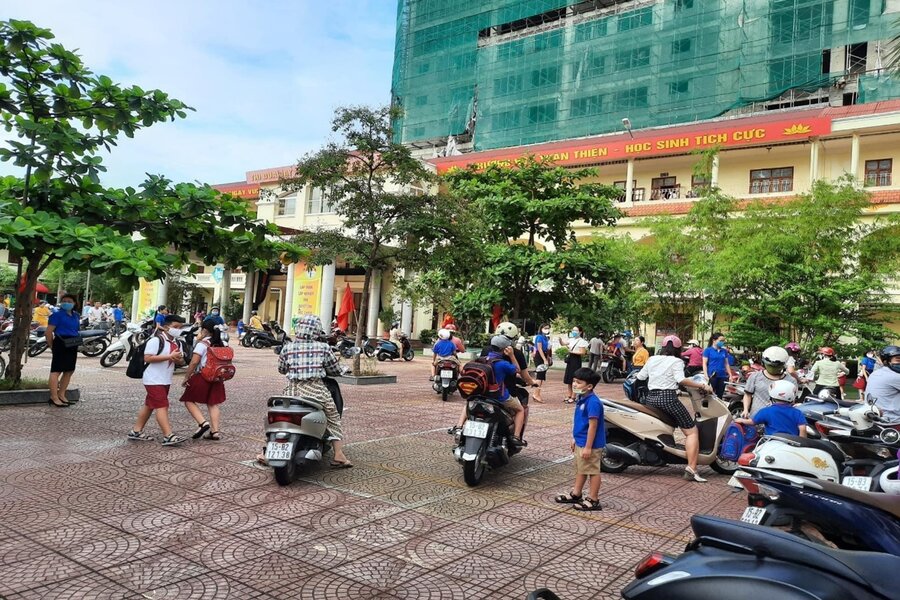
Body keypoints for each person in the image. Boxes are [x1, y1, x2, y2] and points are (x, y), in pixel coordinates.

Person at [635, 335, 713, 482]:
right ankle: (692, 469)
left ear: (663, 347)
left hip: (651, 399)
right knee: (691, 432)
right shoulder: (677, 361)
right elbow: (680, 380)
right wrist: (702, 386)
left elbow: (640, 377)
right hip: (667, 399)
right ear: (678, 349)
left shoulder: (652, 359)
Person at [276, 314, 351, 467]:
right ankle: (338, 454)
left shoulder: (287, 347)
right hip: (316, 391)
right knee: (333, 417)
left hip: (292, 391)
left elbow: (281, 369)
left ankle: (266, 451)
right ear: (316, 331)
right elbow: (334, 370)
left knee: (279, 418)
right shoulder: (323, 348)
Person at [453, 335, 528, 446]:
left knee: (469, 402)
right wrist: (512, 355)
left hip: (481, 394)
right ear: (505, 349)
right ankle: (516, 437)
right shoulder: (502, 364)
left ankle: (459, 426)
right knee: (520, 410)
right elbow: (517, 369)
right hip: (499, 397)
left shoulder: (481, 360)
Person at [127, 314, 187, 446]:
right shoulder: (156, 340)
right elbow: (148, 358)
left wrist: (179, 359)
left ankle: (136, 431)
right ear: (166, 327)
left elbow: (181, 361)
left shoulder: (177, 343)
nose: (178, 330)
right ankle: (168, 435)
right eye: (175, 327)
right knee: (162, 406)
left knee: (149, 405)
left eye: (180, 327)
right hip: (153, 379)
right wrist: (169, 357)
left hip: (165, 379)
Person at [554, 367, 605, 511]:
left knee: (593, 471)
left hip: (591, 444)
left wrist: (588, 447)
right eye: (574, 381)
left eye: (579, 382)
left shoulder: (593, 402)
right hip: (581, 441)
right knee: (581, 468)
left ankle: (593, 499)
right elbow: (581, 423)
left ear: (589, 386)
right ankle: (576, 493)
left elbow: (593, 426)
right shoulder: (581, 398)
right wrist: (575, 439)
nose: (574, 384)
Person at [179, 319, 227, 441]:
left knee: (188, 399)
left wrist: (186, 377)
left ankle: (202, 423)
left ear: (205, 330)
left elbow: (194, 362)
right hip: (217, 377)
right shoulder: (221, 344)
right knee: (213, 403)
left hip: (203, 376)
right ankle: (215, 432)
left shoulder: (202, 344)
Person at [45, 294, 81, 408]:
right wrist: (52, 346)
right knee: (56, 370)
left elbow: (76, 329)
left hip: (73, 343)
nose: (66, 303)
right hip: (60, 343)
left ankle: (62, 394)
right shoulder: (56, 315)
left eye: (69, 301)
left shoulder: (76, 315)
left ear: (74, 303)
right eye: (64, 301)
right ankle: (54, 396)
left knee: (69, 370)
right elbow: (48, 332)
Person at [736, 379, 806, 437]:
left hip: (771, 441)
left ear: (771, 396)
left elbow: (752, 422)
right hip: (792, 444)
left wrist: (742, 420)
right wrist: (801, 444)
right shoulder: (798, 412)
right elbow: (802, 429)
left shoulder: (766, 411)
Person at [741, 346, 798, 418]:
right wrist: (745, 409)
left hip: (778, 420)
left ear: (783, 365)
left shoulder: (791, 381)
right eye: (770, 365)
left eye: (776, 366)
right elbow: (747, 395)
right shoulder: (755, 376)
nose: (773, 368)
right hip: (755, 418)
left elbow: (792, 402)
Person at [866, 345, 899, 423]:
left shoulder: (875, 373)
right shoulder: (894, 376)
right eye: (898, 359)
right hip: (893, 420)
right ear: (886, 361)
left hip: (874, 418)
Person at [703, 332, 734, 399]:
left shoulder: (724, 351)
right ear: (714, 340)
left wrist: (730, 375)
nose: (722, 342)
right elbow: (704, 364)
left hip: (722, 376)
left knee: (719, 395)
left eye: (723, 341)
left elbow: (726, 363)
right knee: (709, 395)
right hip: (712, 376)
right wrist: (706, 375)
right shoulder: (708, 350)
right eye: (721, 340)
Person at [564, 326, 590, 403]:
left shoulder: (582, 341)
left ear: (580, 332)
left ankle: (573, 397)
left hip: (576, 361)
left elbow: (582, 352)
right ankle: (569, 395)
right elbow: (563, 343)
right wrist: (560, 340)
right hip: (570, 360)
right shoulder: (571, 340)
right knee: (569, 379)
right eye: (573, 330)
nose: (574, 332)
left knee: (575, 379)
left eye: (576, 330)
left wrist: (572, 352)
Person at [532, 324, 552, 404]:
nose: (547, 329)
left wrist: (547, 358)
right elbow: (539, 348)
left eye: (548, 328)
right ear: (541, 328)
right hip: (539, 356)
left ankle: (537, 393)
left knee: (542, 376)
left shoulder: (546, 338)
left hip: (544, 355)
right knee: (540, 376)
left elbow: (547, 349)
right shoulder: (539, 337)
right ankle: (536, 394)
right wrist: (544, 359)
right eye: (545, 328)